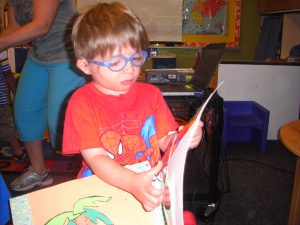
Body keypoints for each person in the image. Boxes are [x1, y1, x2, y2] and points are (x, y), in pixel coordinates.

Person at [63, 2, 203, 213]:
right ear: (85, 65)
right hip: (101, 188)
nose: (129, 70)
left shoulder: (151, 95)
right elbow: (96, 158)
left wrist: (184, 138)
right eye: (116, 63)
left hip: (149, 182)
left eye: (136, 58)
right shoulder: (81, 102)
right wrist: (133, 183)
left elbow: (166, 140)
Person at [0, 0, 87, 192]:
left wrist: (2, 43)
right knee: (25, 112)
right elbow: (12, 29)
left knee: (63, 123)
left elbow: (42, 26)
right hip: (38, 58)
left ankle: (91, 171)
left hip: (67, 56)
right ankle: (39, 172)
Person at [0, 50, 25, 162]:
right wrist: (16, 94)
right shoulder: (1, 50)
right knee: (7, 126)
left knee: (6, 126)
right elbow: (8, 75)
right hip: (1, 100)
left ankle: (17, 151)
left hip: (1, 100)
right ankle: (18, 152)